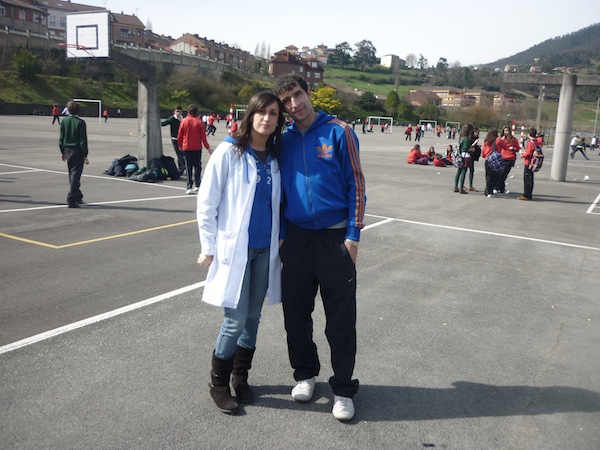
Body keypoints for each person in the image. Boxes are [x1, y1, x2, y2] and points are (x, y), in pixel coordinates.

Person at [274, 73, 366, 422]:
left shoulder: (339, 131)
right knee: (296, 315)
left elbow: (357, 184)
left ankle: (342, 389)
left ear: (309, 92)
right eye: (286, 101)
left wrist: (353, 236)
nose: (294, 104)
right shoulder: (283, 140)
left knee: (340, 320)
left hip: (335, 239)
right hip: (297, 240)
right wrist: (284, 234)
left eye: (297, 95)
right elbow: (280, 193)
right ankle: (305, 375)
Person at [197, 92, 285, 414]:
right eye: (262, 112)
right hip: (235, 251)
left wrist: (281, 239)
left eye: (273, 113)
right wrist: (208, 247)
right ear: (251, 114)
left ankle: (240, 377)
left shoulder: (275, 158)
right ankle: (218, 385)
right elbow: (207, 201)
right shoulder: (229, 151)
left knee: (252, 318)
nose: (267, 118)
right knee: (234, 320)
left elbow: (279, 204)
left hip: (264, 250)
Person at [59, 101, 89, 208]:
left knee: (71, 174)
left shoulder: (64, 121)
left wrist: (62, 151)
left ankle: (77, 195)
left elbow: (61, 137)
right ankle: (71, 199)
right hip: (77, 150)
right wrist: (85, 154)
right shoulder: (80, 122)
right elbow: (83, 140)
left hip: (67, 149)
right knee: (76, 175)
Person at [177, 104, 211, 194]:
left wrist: (179, 145)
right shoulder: (199, 122)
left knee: (188, 167)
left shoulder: (184, 121)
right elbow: (203, 137)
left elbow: (180, 135)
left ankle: (189, 186)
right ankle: (197, 185)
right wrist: (208, 148)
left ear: (188, 112)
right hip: (197, 147)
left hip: (186, 147)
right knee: (197, 167)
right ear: (197, 112)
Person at [161, 106, 186, 175]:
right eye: (177, 111)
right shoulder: (172, 119)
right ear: (174, 112)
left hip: (183, 139)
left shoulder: (183, 119)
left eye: (179, 111)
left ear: (181, 112)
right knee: (179, 154)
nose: (178, 113)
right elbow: (164, 123)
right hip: (175, 139)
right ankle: (181, 168)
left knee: (183, 154)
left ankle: (183, 167)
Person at [518, 127, 541, 201]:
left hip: (528, 162)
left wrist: (522, 155)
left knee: (527, 179)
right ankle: (529, 194)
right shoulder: (536, 142)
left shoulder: (530, 143)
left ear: (529, 134)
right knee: (531, 178)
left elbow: (528, 153)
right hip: (533, 163)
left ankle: (526, 194)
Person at [453, 124, 477, 194]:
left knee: (459, 171)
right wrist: (471, 148)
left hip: (460, 156)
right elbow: (465, 149)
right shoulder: (466, 139)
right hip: (465, 156)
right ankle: (461, 188)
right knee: (464, 171)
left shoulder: (461, 138)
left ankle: (456, 186)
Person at [495, 125, 519, 194]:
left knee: (504, 173)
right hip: (501, 157)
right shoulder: (501, 139)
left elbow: (517, 148)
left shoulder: (513, 139)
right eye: (504, 131)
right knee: (499, 173)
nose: (506, 132)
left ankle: (498, 187)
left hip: (509, 158)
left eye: (507, 130)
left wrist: (513, 148)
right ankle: (501, 188)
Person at [481, 128, 501, 197]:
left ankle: (487, 192)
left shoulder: (486, 141)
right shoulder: (498, 140)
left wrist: (484, 155)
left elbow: (483, 152)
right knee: (494, 176)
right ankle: (489, 191)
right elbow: (505, 147)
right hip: (495, 160)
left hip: (488, 159)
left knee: (488, 176)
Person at [466, 127, 481, 192]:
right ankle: (469, 186)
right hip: (468, 156)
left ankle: (470, 185)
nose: (477, 134)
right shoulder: (470, 139)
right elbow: (468, 147)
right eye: (476, 132)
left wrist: (477, 146)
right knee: (465, 170)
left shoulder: (475, 139)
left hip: (472, 157)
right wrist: (474, 143)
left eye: (478, 132)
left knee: (472, 170)